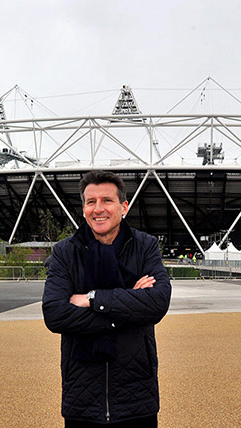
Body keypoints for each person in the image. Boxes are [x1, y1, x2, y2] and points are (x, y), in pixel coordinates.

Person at [42, 170, 172, 427]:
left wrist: (92, 299)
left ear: (124, 207)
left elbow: (157, 302)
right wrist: (128, 307)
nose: (98, 209)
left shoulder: (144, 246)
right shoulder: (65, 252)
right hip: (82, 398)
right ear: (83, 209)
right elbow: (55, 314)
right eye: (91, 202)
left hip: (136, 397)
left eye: (107, 200)